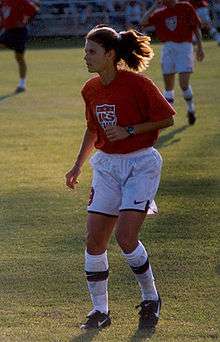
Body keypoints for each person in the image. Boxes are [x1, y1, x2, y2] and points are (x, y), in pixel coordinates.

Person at [65, 25, 175, 331]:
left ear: (110, 55)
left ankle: (151, 298)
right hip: (107, 166)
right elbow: (92, 128)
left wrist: (129, 130)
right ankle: (100, 310)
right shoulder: (90, 88)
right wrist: (76, 166)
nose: (86, 57)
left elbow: (167, 117)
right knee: (94, 240)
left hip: (141, 164)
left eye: (92, 51)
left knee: (126, 238)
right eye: (85, 51)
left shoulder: (138, 84)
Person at [141, 0, 205, 125]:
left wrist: (200, 47)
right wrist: (154, 6)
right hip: (168, 48)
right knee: (168, 86)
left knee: (183, 84)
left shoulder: (185, 7)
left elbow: (196, 27)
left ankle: (191, 109)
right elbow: (143, 21)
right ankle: (168, 116)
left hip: (185, 47)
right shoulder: (160, 12)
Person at [0, 0, 39, 93]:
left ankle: (22, 85)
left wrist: (26, 22)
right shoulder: (3, 2)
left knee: (19, 58)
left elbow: (35, 9)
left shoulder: (20, 1)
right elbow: (4, 18)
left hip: (19, 32)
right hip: (8, 32)